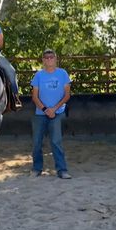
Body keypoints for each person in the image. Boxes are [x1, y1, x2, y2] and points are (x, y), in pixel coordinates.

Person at [30, 49, 72, 179]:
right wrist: (45, 109)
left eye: (51, 57)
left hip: (57, 112)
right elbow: (34, 97)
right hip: (40, 113)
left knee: (56, 141)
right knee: (37, 142)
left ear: (55, 59)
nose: (49, 59)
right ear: (43, 60)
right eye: (46, 57)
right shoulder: (38, 76)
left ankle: (62, 170)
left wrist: (54, 109)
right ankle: (37, 168)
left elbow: (67, 95)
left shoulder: (63, 74)